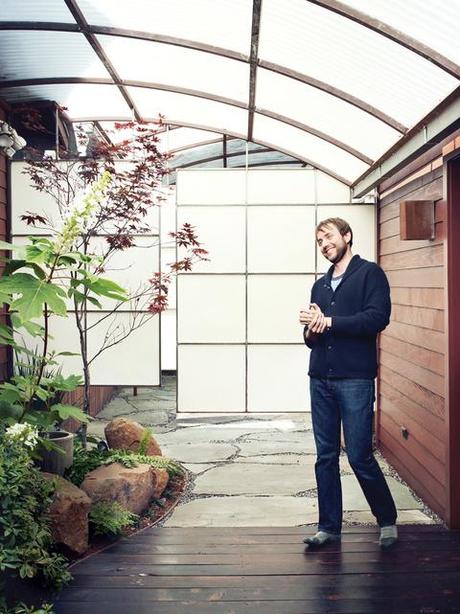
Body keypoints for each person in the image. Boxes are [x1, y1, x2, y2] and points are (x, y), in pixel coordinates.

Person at [299, 217, 398, 549]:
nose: (324, 243)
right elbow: (312, 339)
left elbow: (377, 318)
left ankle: (387, 519)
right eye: (318, 241)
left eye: (328, 236)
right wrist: (312, 327)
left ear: (347, 236)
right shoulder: (320, 285)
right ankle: (328, 527)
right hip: (320, 380)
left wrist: (328, 321)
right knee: (325, 456)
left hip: (355, 379)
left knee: (359, 455)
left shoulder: (370, 274)